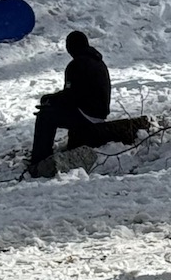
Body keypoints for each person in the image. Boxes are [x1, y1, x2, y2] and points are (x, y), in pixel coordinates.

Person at [27, 30, 111, 178]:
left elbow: (70, 96)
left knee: (45, 117)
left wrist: (50, 102)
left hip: (87, 114)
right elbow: (78, 93)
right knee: (52, 109)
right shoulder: (98, 61)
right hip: (98, 114)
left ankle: (39, 160)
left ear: (70, 47)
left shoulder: (77, 64)